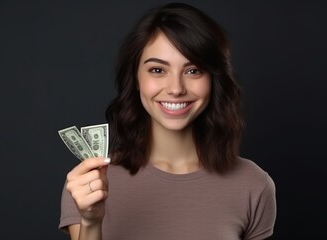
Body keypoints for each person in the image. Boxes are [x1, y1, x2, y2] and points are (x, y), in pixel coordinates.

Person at [59, 2, 276, 240]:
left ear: (214, 79)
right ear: (136, 77)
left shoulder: (254, 185)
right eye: (158, 70)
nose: (176, 89)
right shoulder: (89, 182)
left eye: (193, 70)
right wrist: (90, 222)